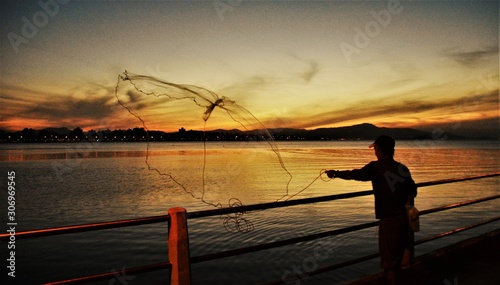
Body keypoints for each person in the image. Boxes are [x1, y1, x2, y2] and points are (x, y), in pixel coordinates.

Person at [326, 135, 417, 285]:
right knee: (399, 260)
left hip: (389, 222)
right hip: (404, 220)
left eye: (375, 149)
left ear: (380, 150)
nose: (374, 152)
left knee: (389, 265)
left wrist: (335, 173)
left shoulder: (376, 168)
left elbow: (354, 175)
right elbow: (412, 192)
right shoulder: (402, 168)